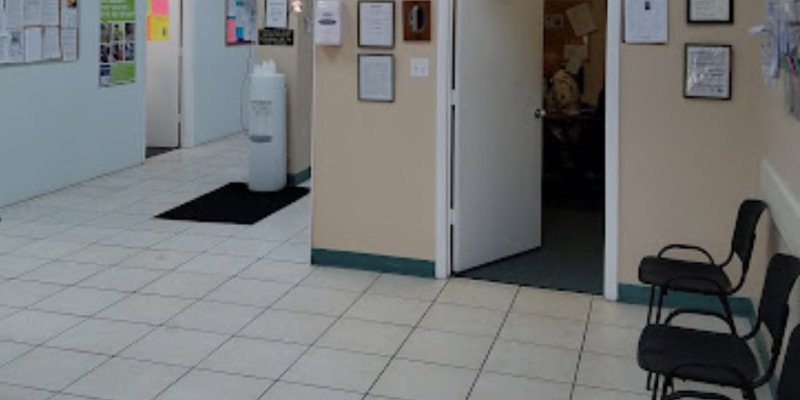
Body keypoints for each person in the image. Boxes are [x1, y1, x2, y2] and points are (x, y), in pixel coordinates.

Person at [544, 51, 581, 118]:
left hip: (563, 124)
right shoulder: (560, 79)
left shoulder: (561, 82)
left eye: (544, 64)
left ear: (551, 66)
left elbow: (565, 107)